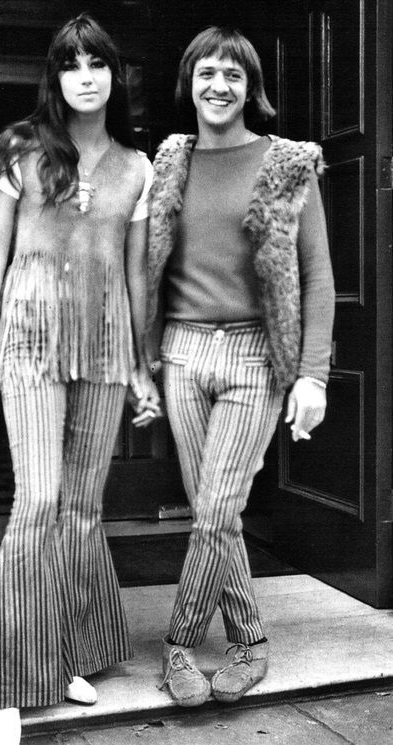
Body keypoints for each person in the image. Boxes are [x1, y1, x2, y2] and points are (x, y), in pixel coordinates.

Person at [0, 14, 160, 745]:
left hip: (105, 343)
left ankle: (63, 654)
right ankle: (9, 678)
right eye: (71, 63)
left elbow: (135, 273)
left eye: (98, 63)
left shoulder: (137, 168)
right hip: (31, 340)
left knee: (81, 507)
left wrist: (142, 365)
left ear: (115, 75)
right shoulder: (20, 148)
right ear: (56, 75)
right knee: (38, 499)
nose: (85, 74)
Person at [146, 26, 335, 708]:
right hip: (183, 352)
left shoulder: (287, 163)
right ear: (189, 83)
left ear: (250, 86)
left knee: (218, 506)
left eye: (232, 73)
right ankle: (249, 640)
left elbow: (317, 274)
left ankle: (177, 643)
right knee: (212, 512)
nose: (219, 85)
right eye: (206, 73)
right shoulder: (169, 161)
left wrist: (312, 374)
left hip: (256, 353)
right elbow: (147, 266)